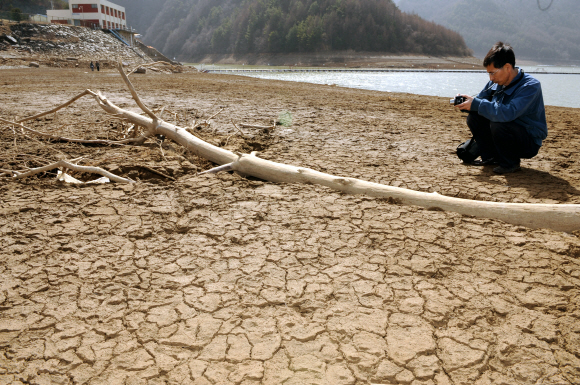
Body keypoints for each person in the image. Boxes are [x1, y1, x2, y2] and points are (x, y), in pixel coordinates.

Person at [455, 42, 547, 174]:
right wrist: (467, 104)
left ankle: (510, 164)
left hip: (528, 141)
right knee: (474, 117)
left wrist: (477, 104)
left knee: (499, 122)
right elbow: (480, 102)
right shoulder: (495, 82)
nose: (491, 78)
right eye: (489, 74)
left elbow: (508, 112)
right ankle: (491, 158)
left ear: (507, 67)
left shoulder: (530, 86)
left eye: (493, 73)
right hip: (505, 132)